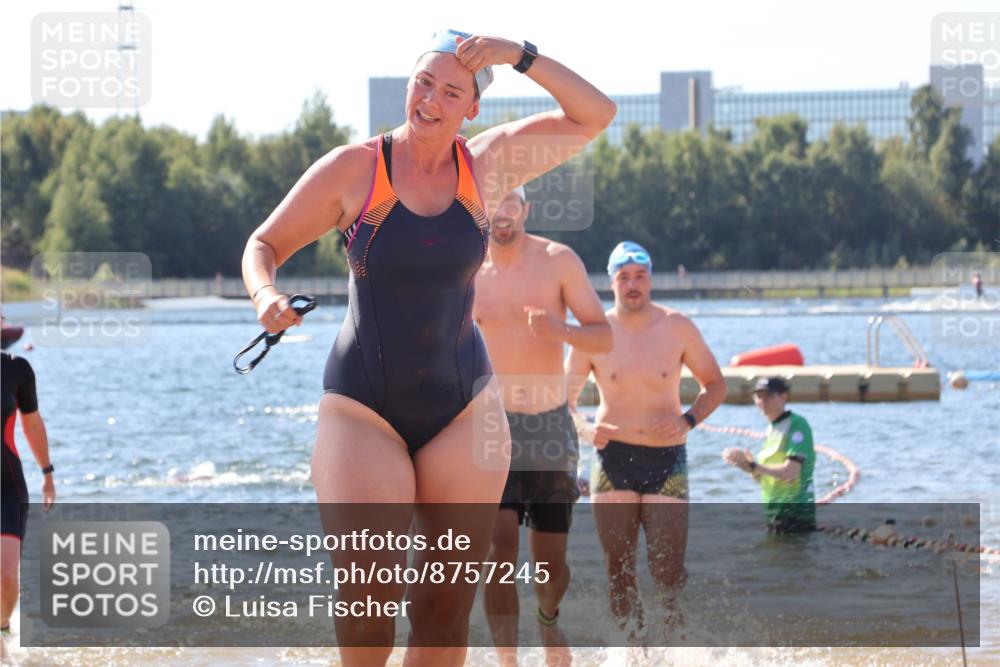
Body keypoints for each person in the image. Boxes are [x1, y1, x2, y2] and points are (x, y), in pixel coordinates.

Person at [241, 29, 615, 667]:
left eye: (451, 91)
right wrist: (264, 296)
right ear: (408, 86)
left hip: (464, 409)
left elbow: (595, 114)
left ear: (472, 107)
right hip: (364, 409)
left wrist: (518, 56)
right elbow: (263, 246)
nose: (431, 101)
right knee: (368, 599)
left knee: (444, 613)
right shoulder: (355, 169)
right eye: (423, 83)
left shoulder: (488, 165)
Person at [474, 185, 612, 666]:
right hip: (492, 429)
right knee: (498, 554)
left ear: (526, 209)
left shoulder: (558, 261)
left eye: (512, 201)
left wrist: (561, 331)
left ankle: (549, 620)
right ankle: (507, 661)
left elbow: (604, 335)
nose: (502, 212)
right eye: (493, 202)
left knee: (551, 568)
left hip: (550, 428)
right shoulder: (468, 269)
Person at [566, 242, 726, 637]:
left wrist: (689, 419)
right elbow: (561, 403)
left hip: (667, 458)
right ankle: (631, 650)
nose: (632, 284)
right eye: (623, 278)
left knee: (667, 573)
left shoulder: (677, 327)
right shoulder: (594, 334)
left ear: (650, 278)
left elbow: (716, 385)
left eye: (639, 276)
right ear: (612, 282)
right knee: (618, 571)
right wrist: (586, 430)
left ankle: (674, 648)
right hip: (610, 458)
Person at [1, 348, 56, 647]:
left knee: (7, 575)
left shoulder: (16, 369)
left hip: (6, 485)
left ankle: (2, 630)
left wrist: (47, 472)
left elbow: (31, 423)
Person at [722, 376, 816, 534]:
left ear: (784, 396)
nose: (763, 401)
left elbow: (791, 472)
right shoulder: (771, 429)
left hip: (795, 516)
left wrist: (754, 466)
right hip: (773, 514)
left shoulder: (797, 424)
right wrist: (745, 465)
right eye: (759, 396)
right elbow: (766, 478)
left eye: (769, 395)